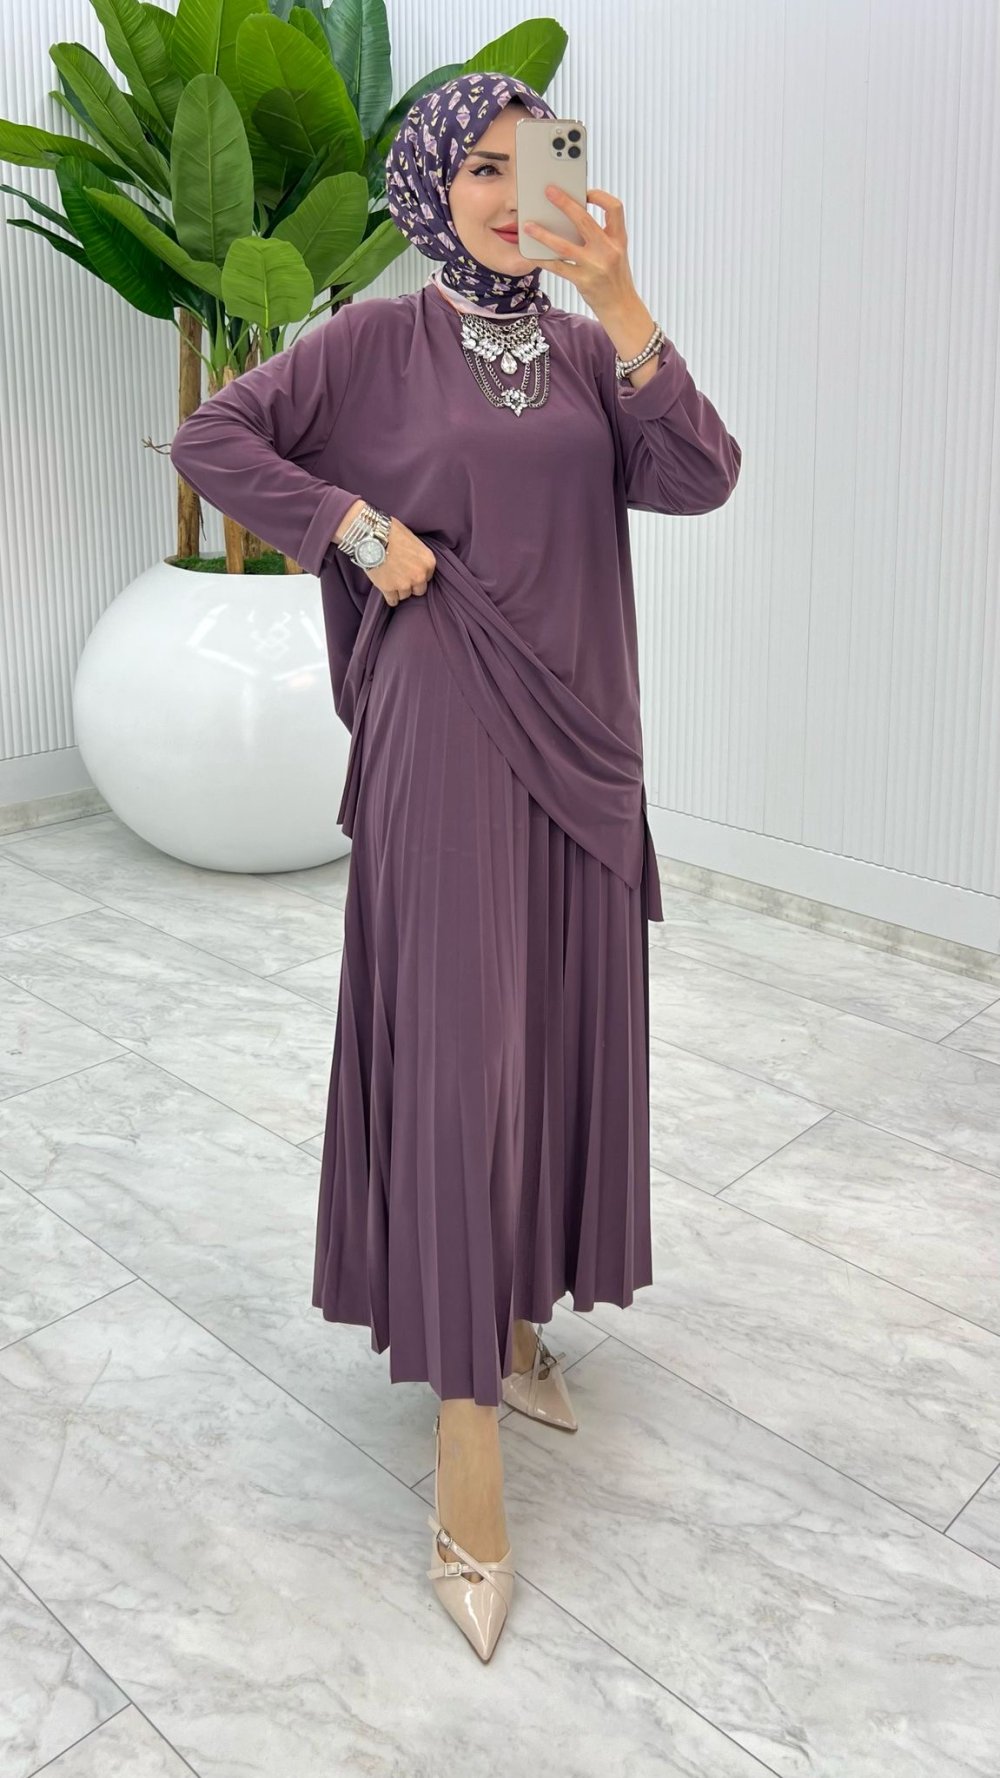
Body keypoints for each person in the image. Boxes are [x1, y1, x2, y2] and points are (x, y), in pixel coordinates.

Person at [169, 71, 742, 1664]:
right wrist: (357, 527)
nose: (504, 194)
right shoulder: (374, 343)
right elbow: (215, 435)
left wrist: (622, 299)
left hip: (587, 740)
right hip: (444, 728)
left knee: (552, 1035)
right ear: (432, 183)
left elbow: (701, 475)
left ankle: (517, 1315)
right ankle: (465, 1434)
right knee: (460, 1058)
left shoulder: (588, 350)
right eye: (477, 167)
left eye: (532, 164)